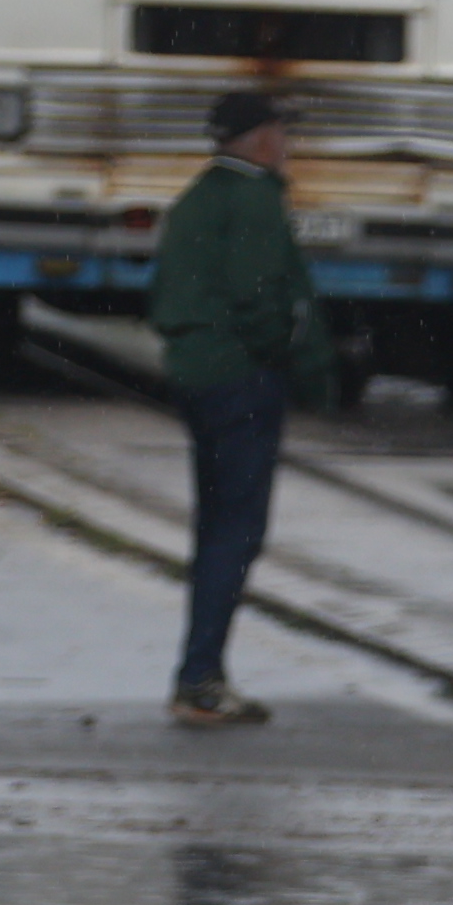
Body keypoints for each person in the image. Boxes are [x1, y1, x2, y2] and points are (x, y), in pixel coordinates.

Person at [144, 91, 321, 726]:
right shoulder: (255, 198)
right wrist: (294, 355)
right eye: (281, 129)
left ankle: (199, 672)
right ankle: (200, 676)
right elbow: (261, 296)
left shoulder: (198, 197)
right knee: (236, 530)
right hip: (242, 376)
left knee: (216, 523)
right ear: (262, 138)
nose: (286, 143)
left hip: (196, 372)